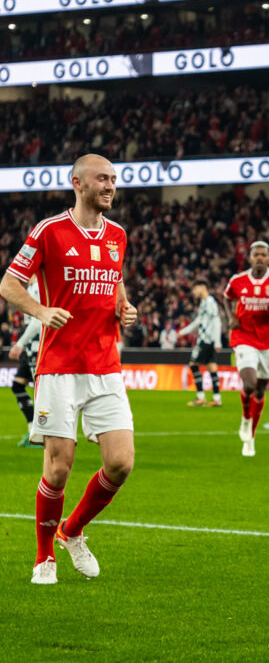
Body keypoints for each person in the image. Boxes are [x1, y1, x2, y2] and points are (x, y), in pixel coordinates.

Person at [0, 153, 137, 585]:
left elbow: (113, 279)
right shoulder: (49, 231)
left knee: (121, 463)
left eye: (113, 179)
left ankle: (71, 531)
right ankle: (45, 557)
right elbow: (8, 283)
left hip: (105, 365)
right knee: (58, 467)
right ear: (77, 183)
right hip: (59, 367)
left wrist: (123, 307)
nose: (110, 186)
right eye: (102, 179)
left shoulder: (118, 234)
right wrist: (41, 311)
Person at [224, 241, 269, 457]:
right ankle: (245, 418)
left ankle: (250, 438)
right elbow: (227, 298)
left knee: (261, 389)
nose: (260, 258)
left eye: (263, 255)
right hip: (243, 336)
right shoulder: (238, 280)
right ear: (250, 258)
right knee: (250, 383)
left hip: (268, 342)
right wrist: (231, 317)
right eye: (256, 255)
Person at [178, 279, 223, 407]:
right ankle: (216, 398)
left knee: (193, 364)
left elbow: (216, 321)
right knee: (212, 367)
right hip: (208, 340)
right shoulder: (205, 303)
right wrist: (183, 332)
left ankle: (200, 397)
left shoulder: (210, 302)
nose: (193, 292)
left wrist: (217, 342)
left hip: (206, 340)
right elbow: (198, 322)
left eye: (194, 289)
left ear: (202, 287)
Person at [10, 276, 42, 448]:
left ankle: (42, 434)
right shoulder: (30, 288)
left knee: (41, 392)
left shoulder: (37, 287)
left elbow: (37, 320)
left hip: (37, 346)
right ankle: (32, 431)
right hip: (31, 346)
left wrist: (20, 343)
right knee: (17, 386)